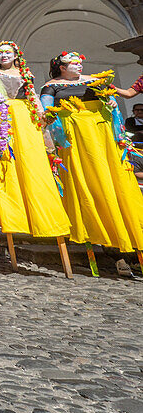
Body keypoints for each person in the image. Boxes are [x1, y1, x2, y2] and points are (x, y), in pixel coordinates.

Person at [41, 52, 143, 276]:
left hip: (103, 136)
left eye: (80, 63)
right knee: (92, 187)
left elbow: (112, 104)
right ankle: (112, 249)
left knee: (117, 184)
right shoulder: (51, 86)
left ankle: (133, 245)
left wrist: (110, 100)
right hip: (76, 139)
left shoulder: (94, 80)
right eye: (73, 63)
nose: (78, 66)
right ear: (61, 67)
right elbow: (45, 112)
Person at [0, 42, 71, 246]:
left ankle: (43, 216)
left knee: (32, 162)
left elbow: (32, 95)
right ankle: (11, 215)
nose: (3, 55)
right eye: (0, 53)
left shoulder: (25, 73)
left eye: (8, 52)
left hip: (25, 118)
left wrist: (42, 114)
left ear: (16, 55)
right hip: (1, 118)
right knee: (6, 165)